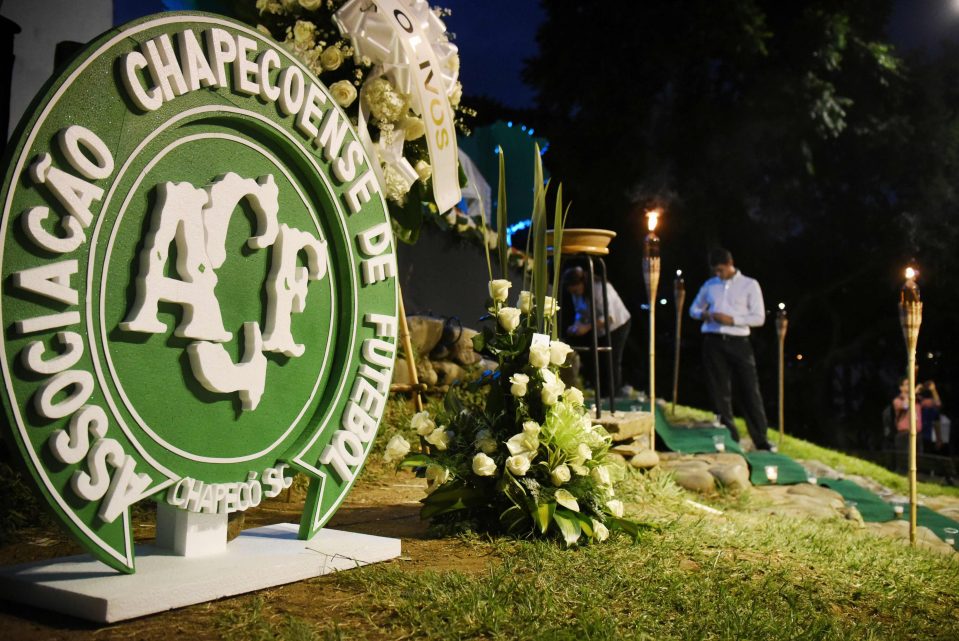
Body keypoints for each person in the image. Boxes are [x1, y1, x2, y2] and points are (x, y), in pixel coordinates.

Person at [689, 248, 773, 450]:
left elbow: (759, 317)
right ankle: (729, 436)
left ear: (729, 263)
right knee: (719, 389)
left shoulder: (750, 285)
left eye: (720, 270)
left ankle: (760, 438)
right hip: (713, 340)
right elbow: (693, 309)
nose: (718, 274)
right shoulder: (710, 285)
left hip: (739, 341)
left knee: (749, 389)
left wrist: (732, 320)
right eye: (715, 271)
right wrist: (705, 315)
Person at [561, 266, 632, 395]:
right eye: (572, 292)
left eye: (576, 290)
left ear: (582, 283)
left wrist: (586, 327)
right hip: (600, 327)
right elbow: (580, 312)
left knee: (612, 359)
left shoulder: (599, 288)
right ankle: (603, 393)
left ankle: (614, 395)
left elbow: (609, 317)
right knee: (599, 359)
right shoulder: (576, 293)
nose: (575, 294)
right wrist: (576, 326)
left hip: (618, 325)